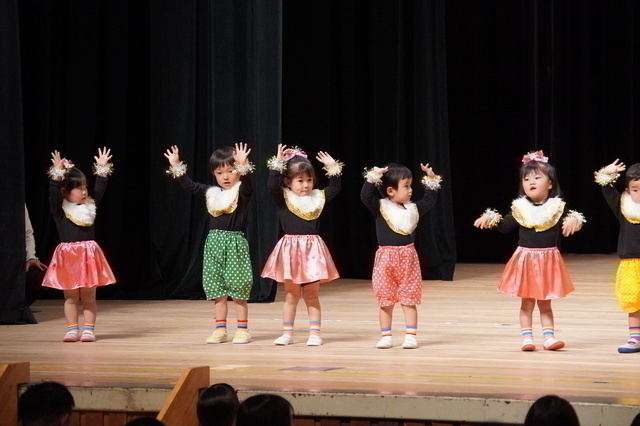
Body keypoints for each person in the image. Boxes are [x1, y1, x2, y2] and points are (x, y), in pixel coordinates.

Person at [474, 151, 585, 351]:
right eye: (526, 179)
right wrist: (490, 218)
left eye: (536, 177)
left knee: (545, 303)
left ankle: (549, 338)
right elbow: (504, 226)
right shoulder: (521, 208)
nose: (531, 182)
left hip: (548, 262)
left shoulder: (556, 208)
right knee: (527, 303)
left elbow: (574, 218)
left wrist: (575, 220)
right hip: (526, 261)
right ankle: (527, 339)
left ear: (550, 183)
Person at [165, 143, 255, 344]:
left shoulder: (242, 192)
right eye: (219, 172)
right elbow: (190, 186)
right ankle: (220, 329)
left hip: (234, 245)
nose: (225, 177)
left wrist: (243, 166)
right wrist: (176, 164)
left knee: (238, 289)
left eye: (230, 171)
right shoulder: (211, 192)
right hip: (214, 244)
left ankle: (242, 329)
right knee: (218, 290)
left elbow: (248, 183)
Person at [262, 144, 343, 346]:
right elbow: (271, 186)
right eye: (300, 181)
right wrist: (277, 164)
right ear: (288, 182)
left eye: (309, 180)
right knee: (291, 294)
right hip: (290, 250)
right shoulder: (284, 197)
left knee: (311, 294)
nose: (305, 185)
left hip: (312, 251)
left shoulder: (317, 198)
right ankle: (287, 334)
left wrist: (332, 168)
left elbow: (334, 188)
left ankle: (314, 334)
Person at [360, 163, 442, 349]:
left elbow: (429, 200)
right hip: (385, 260)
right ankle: (386, 336)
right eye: (406, 186)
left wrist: (431, 178)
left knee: (409, 300)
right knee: (385, 302)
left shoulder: (414, 209)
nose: (411, 190)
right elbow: (366, 196)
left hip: (408, 259)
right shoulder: (380, 207)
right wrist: (373, 177)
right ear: (390, 190)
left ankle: (411, 336)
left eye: (410, 185)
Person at [42, 148, 116, 342]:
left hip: (88, 256)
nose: (84, 192)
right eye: (79, 188)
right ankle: (72, 329)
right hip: (68, 258)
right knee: (70, 297)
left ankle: (89, 330)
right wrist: (57, 173)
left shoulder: (89, 206)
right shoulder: (59, 209)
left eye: (85, 187)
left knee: (89, 296)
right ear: (64, 192)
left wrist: (102, 169)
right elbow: (53, 191)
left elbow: (99, 190)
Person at [594, 160, 640, 353]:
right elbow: (607, 189)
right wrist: (607, 173)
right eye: (636, 190)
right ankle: (635, 338)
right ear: (628, 191)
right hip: (631, 265)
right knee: (633, 302)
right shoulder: (624, 207)